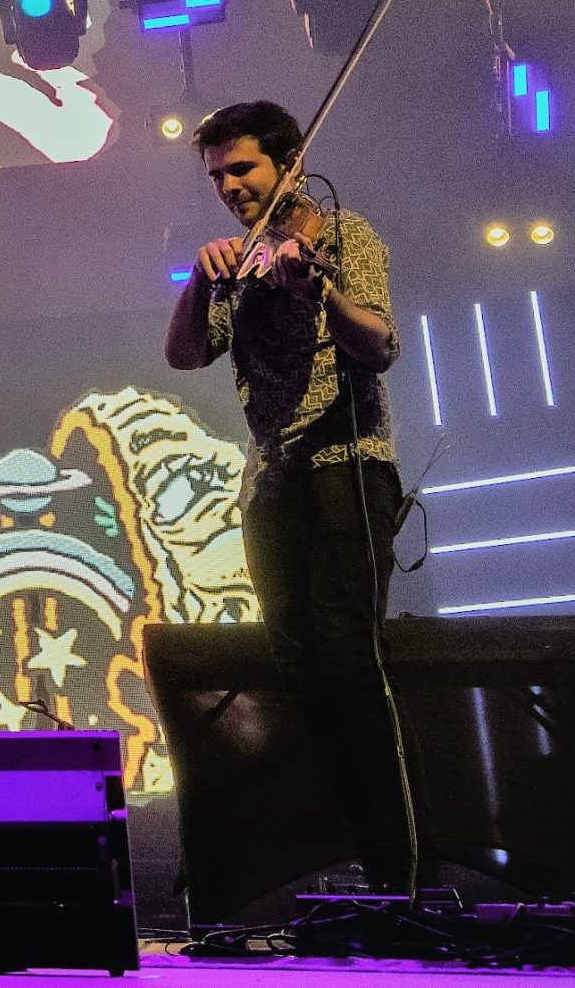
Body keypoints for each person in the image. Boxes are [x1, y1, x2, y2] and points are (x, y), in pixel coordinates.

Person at [162, 99, 415, 892]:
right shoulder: (237, 259)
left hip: (345, 462)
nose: (231, 187)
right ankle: (348, 864)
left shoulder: (344, 236)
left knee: (350, 664)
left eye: (244, 169)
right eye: (218, 176)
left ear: (290, 164)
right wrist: (200, 286)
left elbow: (379, 344)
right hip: (269, 482)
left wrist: (320, 288)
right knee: (301, 670)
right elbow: (182, 355)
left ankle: (402, 876)